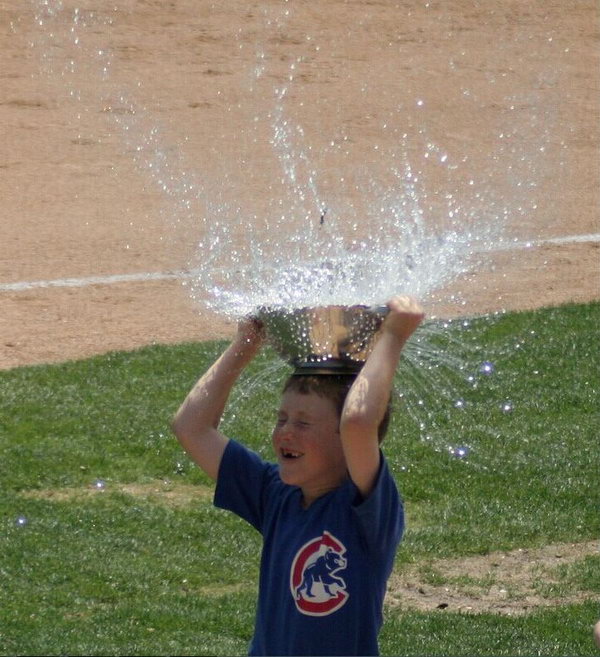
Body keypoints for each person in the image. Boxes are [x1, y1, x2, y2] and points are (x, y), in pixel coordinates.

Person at [172, 296, 425, 656]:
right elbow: (190, 427)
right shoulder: (275, 495)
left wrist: (393, 337)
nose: (284, 434)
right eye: (281, 419)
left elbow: (357, 421)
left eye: (303, 422)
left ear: (348, 443)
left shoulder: (366, 511)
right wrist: (243, 347)